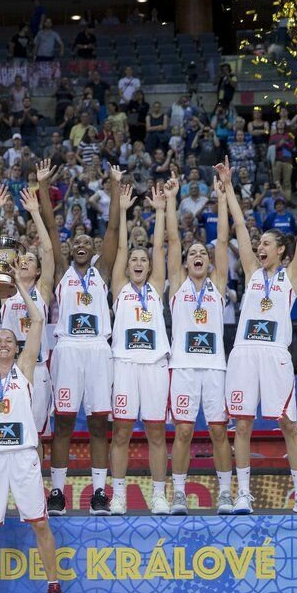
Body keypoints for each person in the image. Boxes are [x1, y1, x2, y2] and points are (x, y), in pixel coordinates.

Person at [220, 157, 297, 514]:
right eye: (259, 243)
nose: (260, 247)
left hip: (275, 355)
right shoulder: (251, 271)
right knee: (243, 424)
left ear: (281, 250)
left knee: (289, 424)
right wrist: (228, 185)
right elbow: (238, 222)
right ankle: (243, 495)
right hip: (245, 353)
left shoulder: (290, 276)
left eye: (267, 243)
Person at [0, 270, 66, 593]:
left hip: (23, 456)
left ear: (17, 347)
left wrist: (20, 287)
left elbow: (36, 320)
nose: (4, 344)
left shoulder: (26, 370)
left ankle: (53, 588)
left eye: (10, 340)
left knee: (40, 522)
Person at [36, 161, 122, 515]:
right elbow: (51, 229)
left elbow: (114, 227)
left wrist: (116, 187)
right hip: (68, 347)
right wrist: (43, 188)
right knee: (65, 422)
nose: (81, 244)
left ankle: (99, 493)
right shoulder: (60, 271)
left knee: (101, 422)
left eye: (88, 241)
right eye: (77, 242)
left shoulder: (102, 272)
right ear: (71, 251)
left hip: (99, 349)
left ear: (95, 248)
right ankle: (57, 492)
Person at [164, 167, 235, 515]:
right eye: (193, 253)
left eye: (202, 254)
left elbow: (221, 241)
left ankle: (225, 493)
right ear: (186, 261)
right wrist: (172, 198)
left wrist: (222, 199)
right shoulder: (177, 284)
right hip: (185, 368)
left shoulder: (217, 285)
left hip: (215, 368)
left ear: (209, 263)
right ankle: (178, 494)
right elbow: (174, 240)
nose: (198, 255)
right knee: (184, 432)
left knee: (220, 432)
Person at [109, 181, 171, 515]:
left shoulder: (157, 288)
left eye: (142, 260)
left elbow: (159, 249)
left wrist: (160, 212)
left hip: (154, 365)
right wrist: (121, 209)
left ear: (148, 267)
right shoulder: (120, 288)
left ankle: (158, 495)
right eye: (134, 259)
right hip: (125, 364)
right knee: (121, 432)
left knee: (156, 432)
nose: (137, 262)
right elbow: (119, 251)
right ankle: (118, 495)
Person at [0, 186, 55, 446]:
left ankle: (35, 485)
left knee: (35, 435)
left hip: (38, 368)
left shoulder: (42, 289)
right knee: (10, 428)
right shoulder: (6, 290)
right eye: (22, 259)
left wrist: (34, 213)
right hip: (10, 369)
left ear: (39, 269)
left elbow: (49, 252)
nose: (25, 262)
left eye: (31, 260)